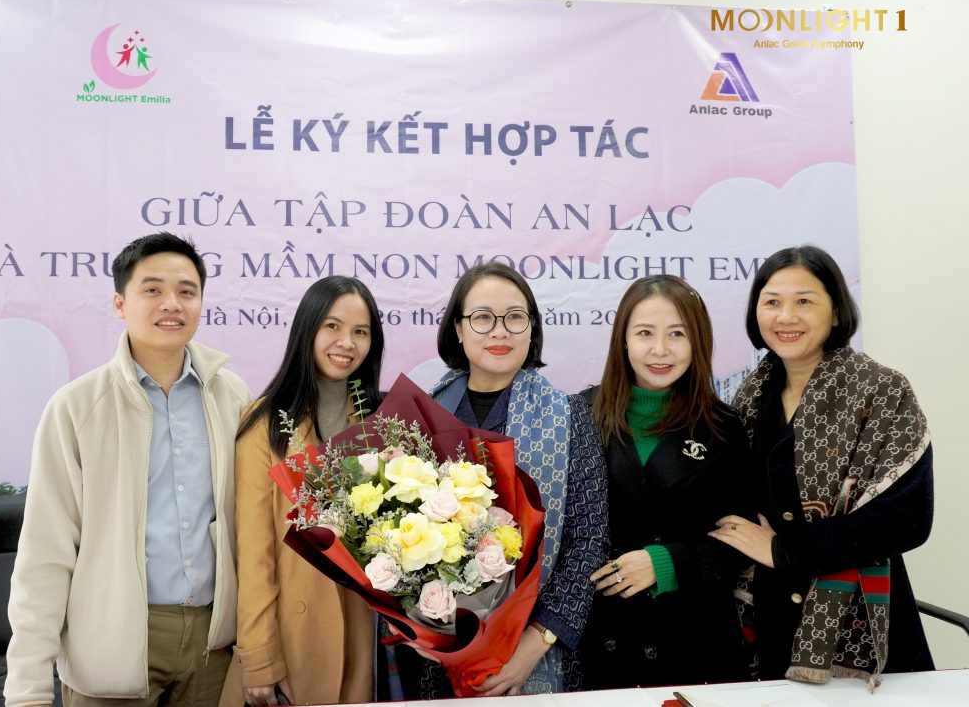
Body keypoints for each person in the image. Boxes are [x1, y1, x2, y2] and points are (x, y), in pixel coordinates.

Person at [5, 232, 251, 707]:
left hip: (213, 645)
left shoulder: (232, 395)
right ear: (120, 303)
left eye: (186, 291)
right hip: (111, 642)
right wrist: (28, 689)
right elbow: (45, 552)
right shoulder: (76, 407)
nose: (172, 304)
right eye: (152, 289)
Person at [709, 245, 934, 685]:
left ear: (836, 311)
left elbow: (907, 519)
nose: (785, 316)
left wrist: (786, 551)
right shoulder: (749, 396)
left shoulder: (883, 391)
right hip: (768, 614)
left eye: (804, 301)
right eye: (772, 302)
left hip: (857, 618)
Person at [388, 262, 608, 697]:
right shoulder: (420, 418)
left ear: (532, 328)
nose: (500, 331)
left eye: (515, 317)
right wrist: (421, 624)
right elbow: (391, 534)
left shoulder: (570, 417)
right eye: (483, 317)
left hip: (539, 653)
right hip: (437, 654)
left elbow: (589, 541)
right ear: (458, 329)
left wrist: (535, 642)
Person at [574, 275, 752, 689]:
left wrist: (668, 561)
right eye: (644, 333)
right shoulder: (579, 414)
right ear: (623, 340)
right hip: (602, 643)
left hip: (695, 644)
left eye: (677, 334)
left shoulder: (725, 427)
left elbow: (743, 539)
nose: (660, 349)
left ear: (698, 341)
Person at [219, 276, 385, 707]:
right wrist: (259, 658)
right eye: (332, 326)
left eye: (361, 331)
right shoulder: (265, 423)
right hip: (295, 630)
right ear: (307, 330)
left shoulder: (381, 419)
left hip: (365, 628)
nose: (346, 342)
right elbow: (255, 553)